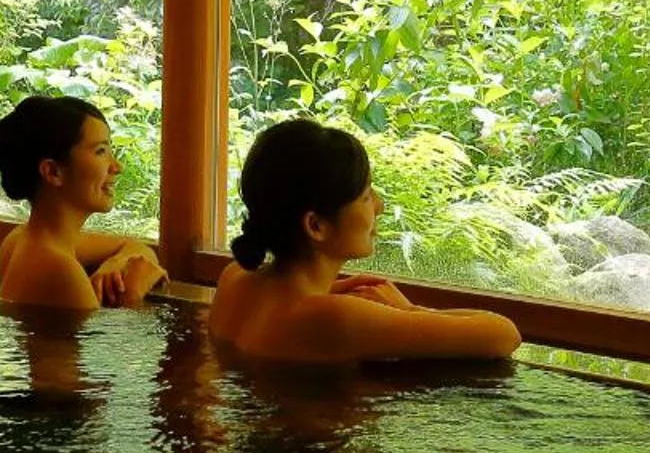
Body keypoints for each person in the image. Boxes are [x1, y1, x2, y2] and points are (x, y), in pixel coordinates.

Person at [209, 118, 521, 363]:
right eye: (365, 196)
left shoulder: (235, 278)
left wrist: (328, 290)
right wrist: (409, 311)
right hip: (311, 445)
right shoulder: (334, 319)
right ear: (316, 225)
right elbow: (503, 335)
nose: (379, 205)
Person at [0, 95, 165, 311]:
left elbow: (135, 246)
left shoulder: (22, 239)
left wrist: (117, 262)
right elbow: (99, 344)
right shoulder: (59, 270)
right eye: (100, 151)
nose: (117, 167)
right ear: (53, 172)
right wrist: (132, 296)